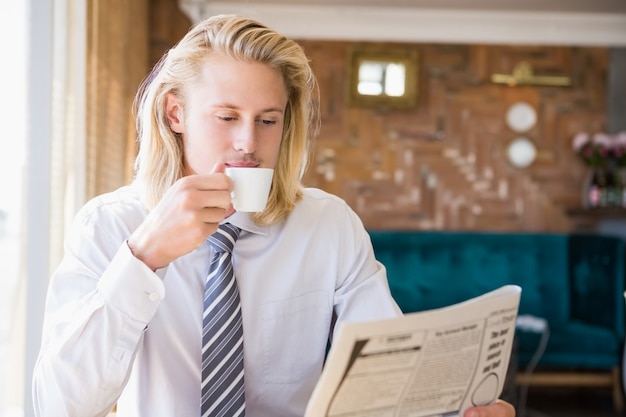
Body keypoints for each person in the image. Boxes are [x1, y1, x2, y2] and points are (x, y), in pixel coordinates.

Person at [32, 14, 516, 417]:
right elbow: (59, 404)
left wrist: (453, 409)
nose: (249, 142)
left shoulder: (329, 227)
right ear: (175, 114)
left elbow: (388, 373)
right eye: (226, 117)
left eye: (268, 120)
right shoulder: (110, 226)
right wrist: (143, 259)